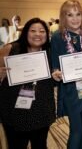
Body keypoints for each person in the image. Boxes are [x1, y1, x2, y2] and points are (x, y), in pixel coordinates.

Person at [0, 17, 56, 149]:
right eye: (33, 31)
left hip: (41, 110)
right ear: (25, 33)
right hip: (14, 111)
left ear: (47, 35)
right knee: (16, 145)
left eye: (42, 31)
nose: (38, 34)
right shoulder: (11, 48)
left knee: (40, 145)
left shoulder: (50, 52)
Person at [51, 0, 82, 149]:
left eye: (78, 14)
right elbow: (55, 64)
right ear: (63, 17)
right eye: (70, 15)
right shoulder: (58, 36)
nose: (75, 18)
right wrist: (56, 72)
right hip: (71, 89)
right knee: (76, 130)